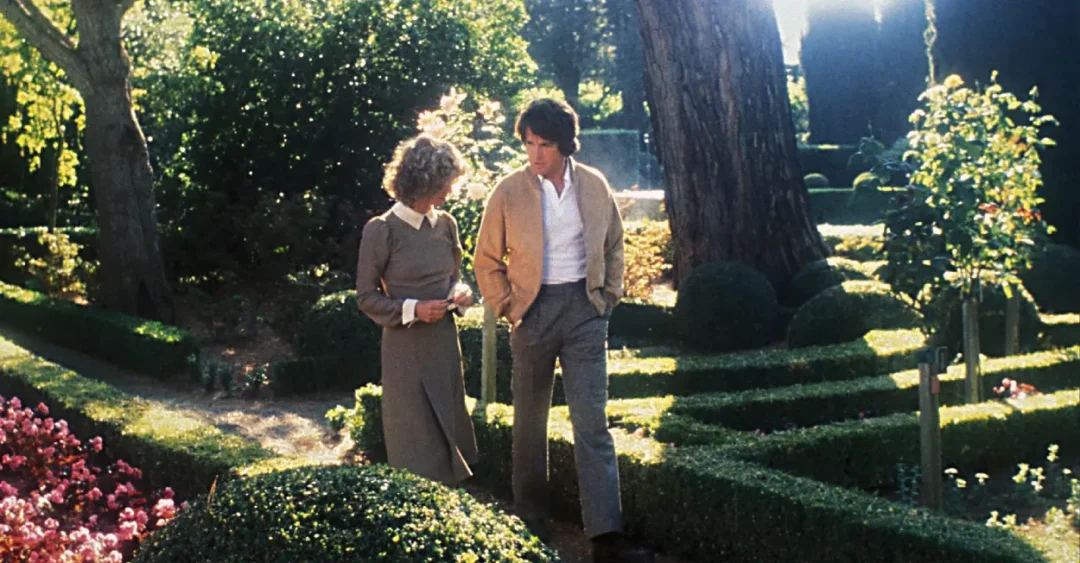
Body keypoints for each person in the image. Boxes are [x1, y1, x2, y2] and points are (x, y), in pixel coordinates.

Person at [474, 99, 654, 563]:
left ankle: (606, 538)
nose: (535, 154)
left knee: (591, 423)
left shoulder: (593, 185)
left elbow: (615, 244)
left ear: (565, 144)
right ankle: (532, 520)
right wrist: (511, 307)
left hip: (584, 309)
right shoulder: (508, 191)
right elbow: (486, 260)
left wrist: (607, 297)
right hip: (531, 312)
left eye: (545, 144)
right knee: (529, 423)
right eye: (529, 143)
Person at [355, 134, 477, 486]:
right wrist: (414, 309)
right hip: (406, 351)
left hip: (444, 345)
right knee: (416, 447)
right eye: (444, 185)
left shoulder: (447, 224)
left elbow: (453, 277)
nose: (449, 192)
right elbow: (365, 298)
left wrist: (460, 291)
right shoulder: (382, 230)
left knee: (451, 434)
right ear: (422, 183)